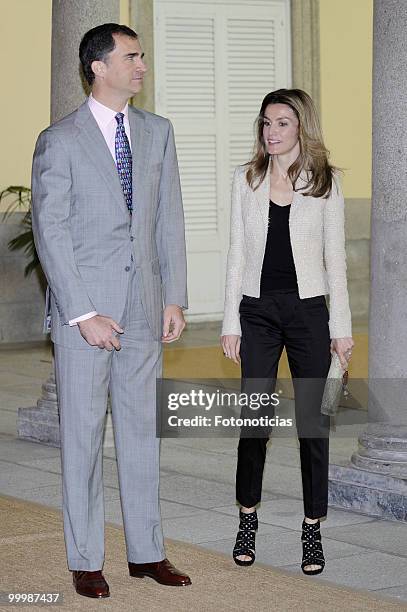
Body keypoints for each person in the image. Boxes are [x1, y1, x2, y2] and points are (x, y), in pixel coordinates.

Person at [31, 23, 191, 598]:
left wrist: (174, 296)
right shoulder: (61, 139)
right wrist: (82, 313)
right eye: (131, 57)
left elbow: (167, 218)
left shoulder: (157, 132)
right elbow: (51, 231)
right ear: (98, 66)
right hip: (87, 317)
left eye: (142, 56)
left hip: (146, 308)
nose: (142, 65)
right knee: (81, 438)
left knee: (142, 436)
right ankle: (86, 559)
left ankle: (147, 554)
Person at [221, 88, 354, 575]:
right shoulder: (246, 178)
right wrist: (230, 322)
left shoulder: (325, 182)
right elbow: (236, 252)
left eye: (281, 123)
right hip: (256, 311)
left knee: (312, 425)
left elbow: (334, 260)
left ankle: (312, 527)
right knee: (253, 422)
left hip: (309, 313)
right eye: (266, 123)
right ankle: (247, 517)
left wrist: (341, 329)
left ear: (301, 128)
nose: (271, 132)